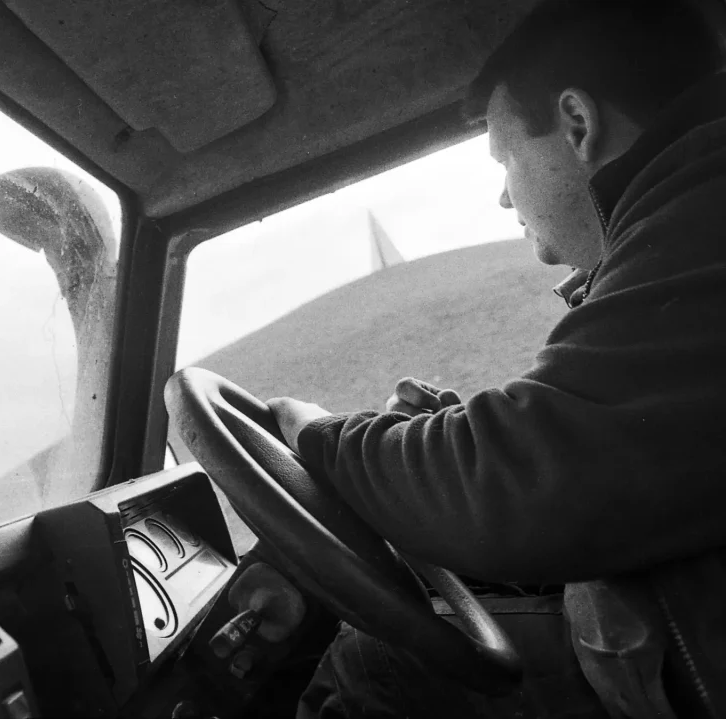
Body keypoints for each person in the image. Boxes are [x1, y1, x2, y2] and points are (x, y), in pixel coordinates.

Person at [267, 0, 726, 716]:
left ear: (578, 123)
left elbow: (523, 478)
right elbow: (600, 439)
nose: (504, 193)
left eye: (504, 156)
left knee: (366, 671)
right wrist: (451, 430)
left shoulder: (706, 213)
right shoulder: (682, 218)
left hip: (677, 674)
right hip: (663, 639)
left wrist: (313, 434)